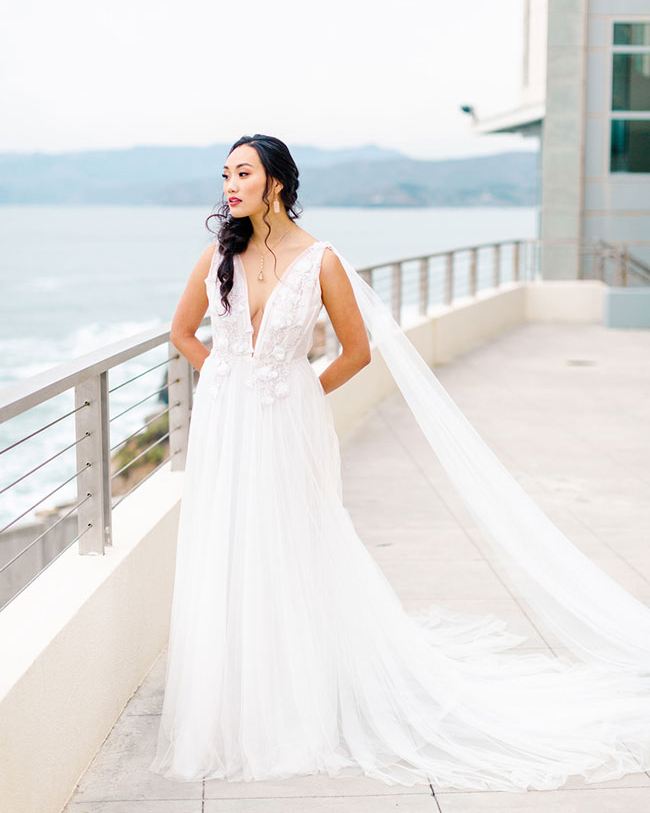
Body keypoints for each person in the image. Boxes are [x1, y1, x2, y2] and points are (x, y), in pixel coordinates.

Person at [148, 133, 650, 791]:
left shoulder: (320, 260)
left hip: (287, 424)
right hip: (225, 426)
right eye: (225, 174)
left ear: (276, 182)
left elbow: (357, 351)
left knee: (293, 544)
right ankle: (235, 689)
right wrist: (226, 385)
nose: (230, 185)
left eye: (243, 172)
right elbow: (183, 332)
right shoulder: (217, 254)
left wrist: (296, 392)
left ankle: (297, 689)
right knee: (227, 544)